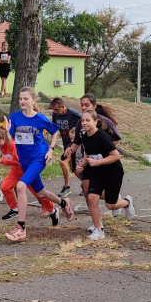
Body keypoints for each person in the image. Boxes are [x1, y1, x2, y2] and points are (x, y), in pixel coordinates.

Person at [3, 87, 75, 241]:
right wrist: (7, 131)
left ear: (33, 100)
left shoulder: (40, 118)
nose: (22, 101)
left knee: (21, 186)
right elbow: (9, 140)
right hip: (24, 160)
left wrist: (50, 150)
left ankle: (21, 227)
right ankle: (63, 203)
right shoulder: (14, 117)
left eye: (26, 99)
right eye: (20, 99)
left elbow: (54, 131)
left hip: (39, 157)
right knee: (41, 193)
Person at [76, 110, 135, 241]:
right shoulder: (85, 136)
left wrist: (97, 162)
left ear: (95, 122)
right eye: (82, 120)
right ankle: (99, 229)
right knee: (91, 198)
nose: (84, 123)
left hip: (113, 172)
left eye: (87, 120)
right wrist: (82, 165)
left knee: (110, 205)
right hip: (97, 172)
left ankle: (126, 202)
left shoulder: (102, 136)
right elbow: (89, 154)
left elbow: (115, 156)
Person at [65, 93, 122, 225]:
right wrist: (71, 150)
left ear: (94, 106)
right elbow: (77, 142)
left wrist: (101, 152)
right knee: (88, 191)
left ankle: (115, 199)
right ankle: (96, 223)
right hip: (90, 161)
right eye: (82, 105)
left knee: (109, 203)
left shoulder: (103, 123)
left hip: (106, 163)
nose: (84, 107)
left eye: (87, 105)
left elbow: (115, 141)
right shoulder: (81, 124)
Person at [0, 128, 58, 223]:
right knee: (5, 187)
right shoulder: (3, 147)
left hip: (26, 171)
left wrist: (2, 161)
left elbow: (18, 161)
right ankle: (15, 209)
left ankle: (52, 210)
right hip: (15, 172)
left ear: (5, 138)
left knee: (39, 193)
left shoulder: (12, 145)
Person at [50, 97, 82, 198]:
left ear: (63, 107)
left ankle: (66, 187)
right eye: (53, 110)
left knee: (63, 162)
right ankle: (88, 184)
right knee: (73, 168)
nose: (55, 112)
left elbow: (86, 126)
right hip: (65, 143)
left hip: (74, 144)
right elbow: (54, 127)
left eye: (57, 109)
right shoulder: (55, 115)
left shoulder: (75, 115)